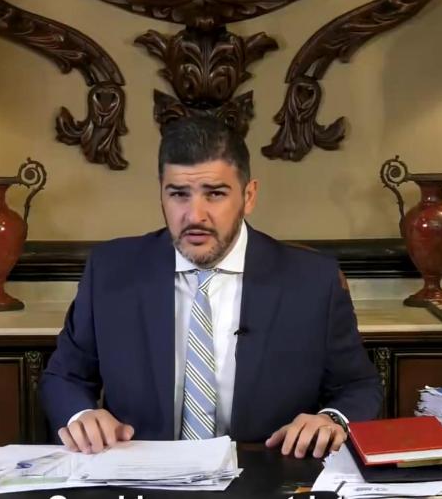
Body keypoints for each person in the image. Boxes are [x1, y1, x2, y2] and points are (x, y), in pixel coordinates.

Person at [39, 116, 382, 459]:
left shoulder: (312, 280)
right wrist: (81, 416)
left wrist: (331, 419)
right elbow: (64, 377)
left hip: (270, 472)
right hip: (139, 473)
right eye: (179, 194)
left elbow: (358, 386)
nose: (195, 216)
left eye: (215, 194)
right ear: (161, 193)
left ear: (249, 196)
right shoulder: (110, 271)